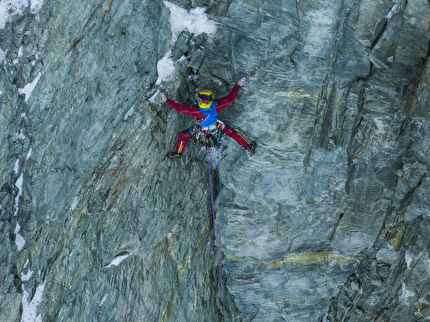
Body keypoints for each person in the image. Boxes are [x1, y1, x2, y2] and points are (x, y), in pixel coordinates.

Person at [160, 77, 256, 159]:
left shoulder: (195, 110)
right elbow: (230, 99)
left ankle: (179, 153)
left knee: (183, 135)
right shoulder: (217, 105)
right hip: (217, 126)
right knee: (232, 133)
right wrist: (238, 85)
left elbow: (180, 109)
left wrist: (166, 100)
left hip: (201, 130)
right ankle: (248, 147)